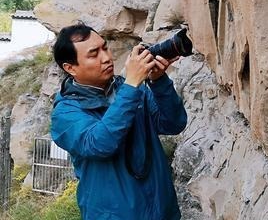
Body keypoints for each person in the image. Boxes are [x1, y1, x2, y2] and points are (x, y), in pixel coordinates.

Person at [50, 23, 187, 219]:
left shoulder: (127, 89)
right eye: (93, 54)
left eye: (105, 48)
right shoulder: (65, 113)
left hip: (161, 211)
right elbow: (100, 143)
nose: (106, 58)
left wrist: (158, 81)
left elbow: (174, 124)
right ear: (70, 68)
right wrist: (132, 85)